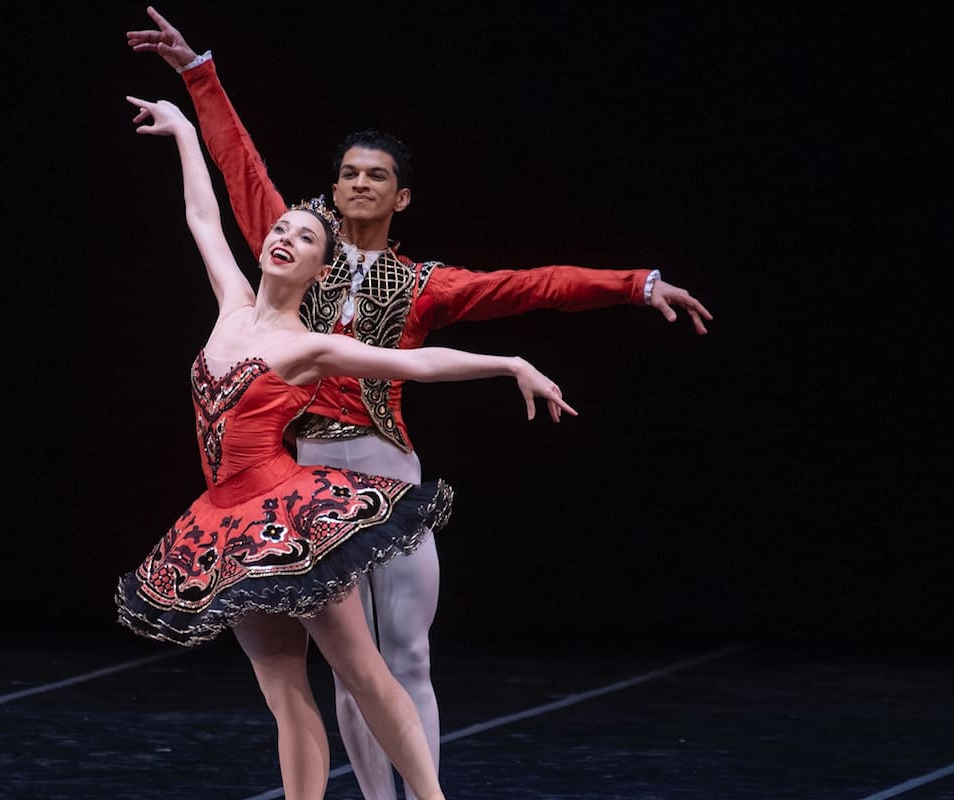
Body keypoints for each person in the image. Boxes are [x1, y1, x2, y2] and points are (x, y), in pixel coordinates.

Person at [127, 10, 714, 799]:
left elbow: (529, 287)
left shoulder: (422, 282)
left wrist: (633, 285)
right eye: (347, 175)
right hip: (293, 470)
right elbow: (231, 179)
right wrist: (197, 75)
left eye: (375, 176)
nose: (357, 184)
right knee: (339, 666)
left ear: (402, 197)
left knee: (401, 654)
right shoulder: (289, 247)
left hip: (381, 469)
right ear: (328, 196)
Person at [115, 95, 578, 800]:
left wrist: (509, 365)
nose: (282, 238)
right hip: (224, 524)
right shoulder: (232, 304)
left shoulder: (314, 347)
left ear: (316, 271)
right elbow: (203, 216)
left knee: (363, 671)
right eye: (280, 229)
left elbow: (421, 365)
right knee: (283, 694)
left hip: (289, 518)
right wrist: (183, 128)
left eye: (303, 239)